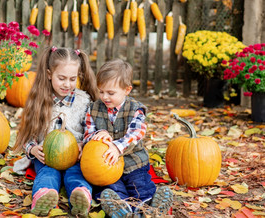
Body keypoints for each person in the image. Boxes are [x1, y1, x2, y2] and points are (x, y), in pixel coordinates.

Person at [12, 46, 98, 217]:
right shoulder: (40, 100)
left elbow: (91, 129)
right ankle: (44, 195)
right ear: (50, 74)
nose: (67, 84)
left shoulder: (84, 101)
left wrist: (83, 144)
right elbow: (28, 133)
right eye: (62, 78)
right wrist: (32, 149)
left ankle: (81, 196)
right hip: (46, 155)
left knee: (77, 173)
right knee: (47, 173)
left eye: (72, 79)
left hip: (74, 156)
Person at [83, 59, 173, 217]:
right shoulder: (94, 108)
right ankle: (122, 208)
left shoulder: (135, 109)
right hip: (106, 166)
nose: (105, 97)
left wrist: (117, 147)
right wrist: (97, 134)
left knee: (139, 186)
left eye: (111, 93)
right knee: (110, 188)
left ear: (127, 90)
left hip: (133, 163)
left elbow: (136, 133)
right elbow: (87, 134)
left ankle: (149, 207)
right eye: (101, 91)